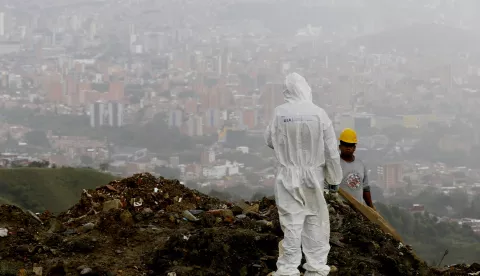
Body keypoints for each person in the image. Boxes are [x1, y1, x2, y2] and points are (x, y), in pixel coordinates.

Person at [264, 72, 343, 276]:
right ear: (305, 88)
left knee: (291, 222)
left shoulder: (279, 113)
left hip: (287, 175)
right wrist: (334, 179)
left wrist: (288, 149)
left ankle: (288, 270)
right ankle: (316, 268)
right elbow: (332, 151)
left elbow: (270, 140)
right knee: (315, 220)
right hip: (314, 176)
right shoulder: (319, 113)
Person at [338, 128, 375, 210]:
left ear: (354, 148)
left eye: (350, 145)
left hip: (358, 211)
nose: (348, 148)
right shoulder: (335, 164)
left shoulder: (360, 165)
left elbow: (366, 189)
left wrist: (371, 208)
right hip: (340, 209)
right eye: (345, 144)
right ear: (340, 147)